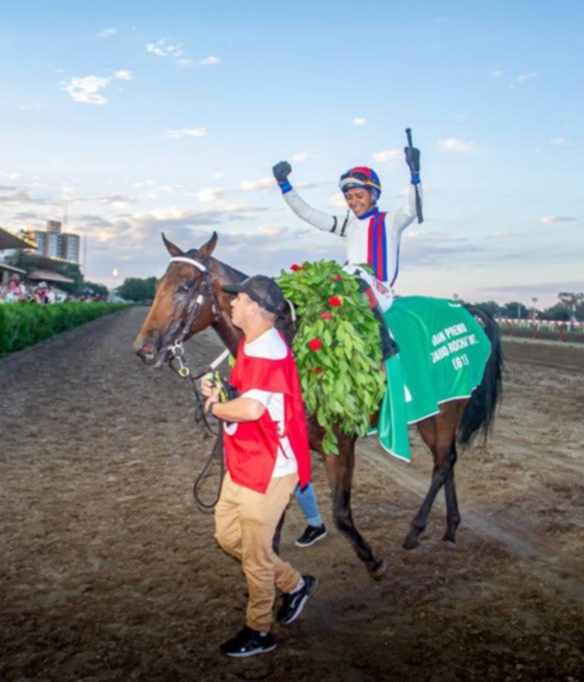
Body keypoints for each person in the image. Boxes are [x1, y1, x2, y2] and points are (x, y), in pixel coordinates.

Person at [200, 274, 318, 658]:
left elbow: (251, 409)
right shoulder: (251, 344)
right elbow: (244, 395)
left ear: (253, 306)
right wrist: (220, 393)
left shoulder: (268, 350)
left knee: (253, 557)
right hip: (245, 462)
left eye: (236, 299)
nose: (230, 304)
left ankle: (259, 630)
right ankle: (295, 584)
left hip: (269, 470)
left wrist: (214, 407)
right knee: (227, 538)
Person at [272, 145, 422, 357]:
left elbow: (412, 208)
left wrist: (415, 175)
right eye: (349, 197)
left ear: (374, 195)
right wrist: (284, 186)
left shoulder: (390, 221)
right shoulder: (346, 225)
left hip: (381, 293)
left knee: (353, 270)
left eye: (359, 195)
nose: (354, 202)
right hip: (351, 291)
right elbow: (308, 214)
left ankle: (384, 342)